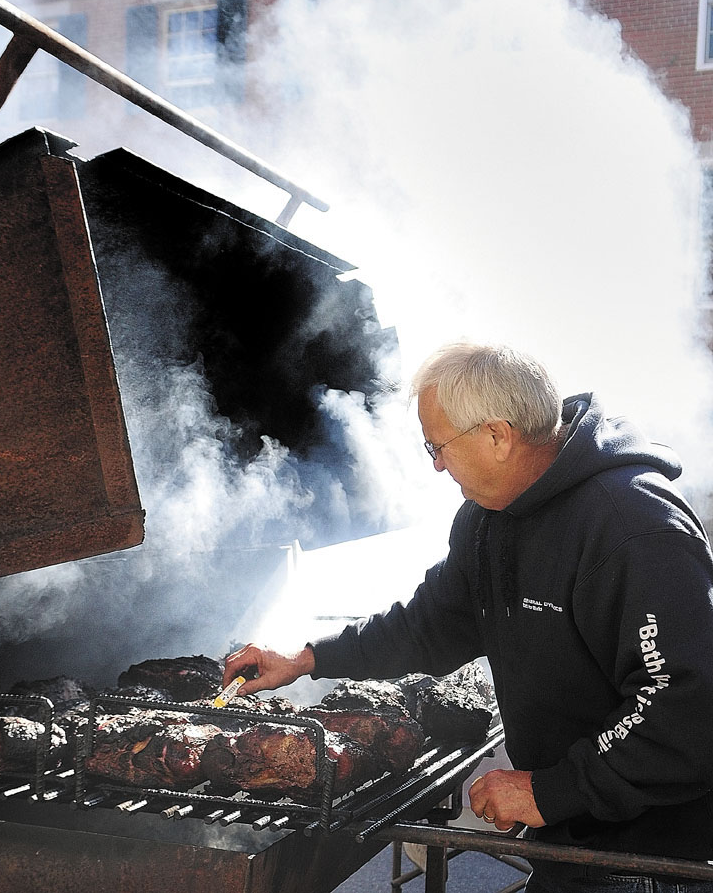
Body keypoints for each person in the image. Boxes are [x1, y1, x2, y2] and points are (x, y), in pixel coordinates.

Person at [223, 342, 713, 892]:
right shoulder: (486, 521)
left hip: (654, 863)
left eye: (438, 445)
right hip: (575, 850)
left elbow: (685, 710)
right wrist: (307, 658)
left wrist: (549, 791)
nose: (434, 464)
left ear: (498, 435)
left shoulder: (633, 528)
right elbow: (426, 625)